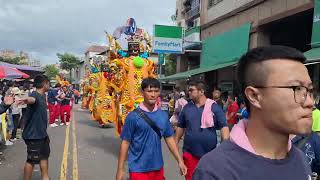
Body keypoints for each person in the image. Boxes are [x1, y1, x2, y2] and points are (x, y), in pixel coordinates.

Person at [193, 46, 314, 179]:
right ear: (254, 96)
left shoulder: (301, 160)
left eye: (309, 90)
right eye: (297, 89)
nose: (310, 102)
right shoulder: (216, 171)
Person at [116, 78, 187, 180]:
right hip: (138, 169)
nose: (153, 95)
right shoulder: (132, 117)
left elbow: (169, 139)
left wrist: (180, 161)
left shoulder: (163, 115)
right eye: (149, 91)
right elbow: (125, 143)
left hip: (157, 168)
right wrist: (120, 169)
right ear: (142, 92)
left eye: (156, 91)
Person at [175, 81, 230, 180]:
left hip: (210, 155)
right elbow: (180, 126)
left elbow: (223, 126)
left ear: (201, 91)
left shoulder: (214, 107)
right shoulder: (187, 108)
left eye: (192, 90)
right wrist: (175, 145)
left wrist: (225, 145)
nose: (189, 92)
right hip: (189, 154)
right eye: (189, 90)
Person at [18, 75, 50, 180]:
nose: (49, 85)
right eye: (48, 83)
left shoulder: (42, 96)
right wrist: (27, 99)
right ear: (44, 84)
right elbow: (32, 100)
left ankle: (45, 177)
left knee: (44, 156)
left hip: (42, 134)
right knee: (31, 160)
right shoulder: (35, 95)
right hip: (33, 135)